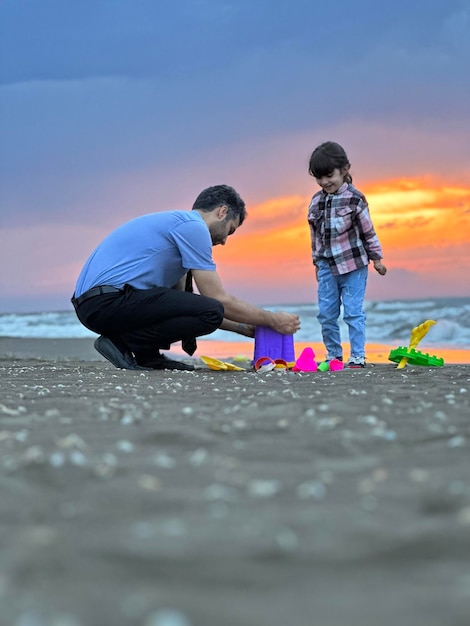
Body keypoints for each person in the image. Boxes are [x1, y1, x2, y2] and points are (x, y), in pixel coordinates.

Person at [72, 184, 300, 370]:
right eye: (230, 230)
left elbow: (184, 307)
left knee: (194, 304)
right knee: (211, 308)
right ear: (222, 212)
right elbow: (217, 300)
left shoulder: (177, 232)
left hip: (96, 304)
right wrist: (272, 319)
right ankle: (122, 343)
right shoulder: (193, 228)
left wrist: (242, 327)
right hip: (106, 302)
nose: (224, 241)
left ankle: (147, 356)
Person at [307, 142, 387, 368]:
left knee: (353, 312)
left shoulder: (355, 199)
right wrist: (316, 262)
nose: (325, 182)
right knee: (326, 314)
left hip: (354, 266)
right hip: (326, 266)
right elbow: (315, 236)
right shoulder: (315, 201)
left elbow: (368, 231)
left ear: (345, 169)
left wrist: (377, 258)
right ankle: (333, 355)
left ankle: (358, 356)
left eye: (329, 175)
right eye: (319, 178)